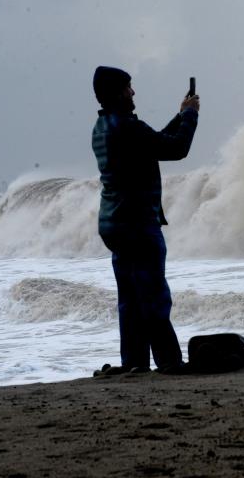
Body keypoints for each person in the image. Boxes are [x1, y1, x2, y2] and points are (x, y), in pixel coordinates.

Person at [90, 66, 199, 375]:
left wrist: (179, 116)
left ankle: (134, 364)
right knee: (153, 296)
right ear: (116, 94)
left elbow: (155, 143)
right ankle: (169, 362)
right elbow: (176, 148)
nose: (133, 93)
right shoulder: (126, 128)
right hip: (136, 222)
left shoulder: (103, 126)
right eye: (128, 88)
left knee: (130, 300)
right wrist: (191, 116)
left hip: (112, 223)